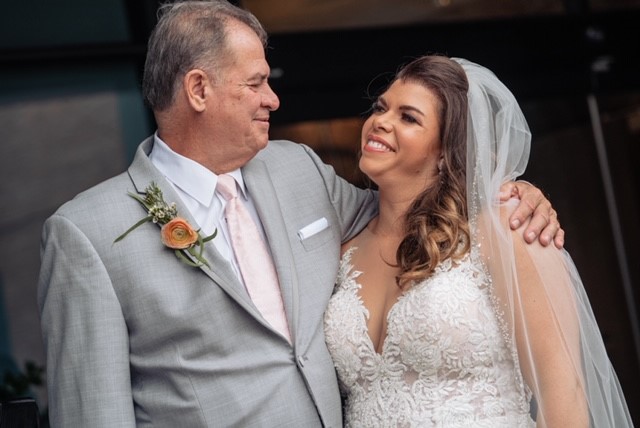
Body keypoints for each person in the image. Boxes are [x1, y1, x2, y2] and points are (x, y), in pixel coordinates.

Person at [37, 2, 562, 427]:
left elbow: (413, 207)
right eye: (256, 81)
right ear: (199, 90)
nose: (274, 98)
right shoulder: (88, 233)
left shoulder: (297, 168)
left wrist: (505, 194)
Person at [323, 54, 633, 427]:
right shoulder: (345, 250)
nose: (380, 122)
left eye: (408, 117)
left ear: (443, 151)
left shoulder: (506, 228)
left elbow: (563, 390)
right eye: (380, 107)